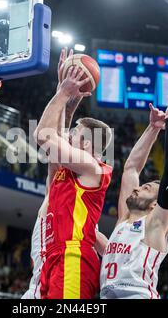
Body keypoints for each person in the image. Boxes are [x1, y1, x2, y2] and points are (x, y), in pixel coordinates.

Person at [34, 56, 113, 299]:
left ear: (87, 144)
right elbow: (56, 135)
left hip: (73, 258)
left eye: (74, 134)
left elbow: (44, 136)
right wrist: (65, 97)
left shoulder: (93, 167)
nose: (68, 136)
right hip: (54, 259)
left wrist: (62, 94)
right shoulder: (68, 174)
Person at [98, 85, 168, 299]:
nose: (137, 188)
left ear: (156, 204)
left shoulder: (155, 224)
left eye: (146, 188)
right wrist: (153, 128)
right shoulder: (124, 220)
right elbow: (131, 169)